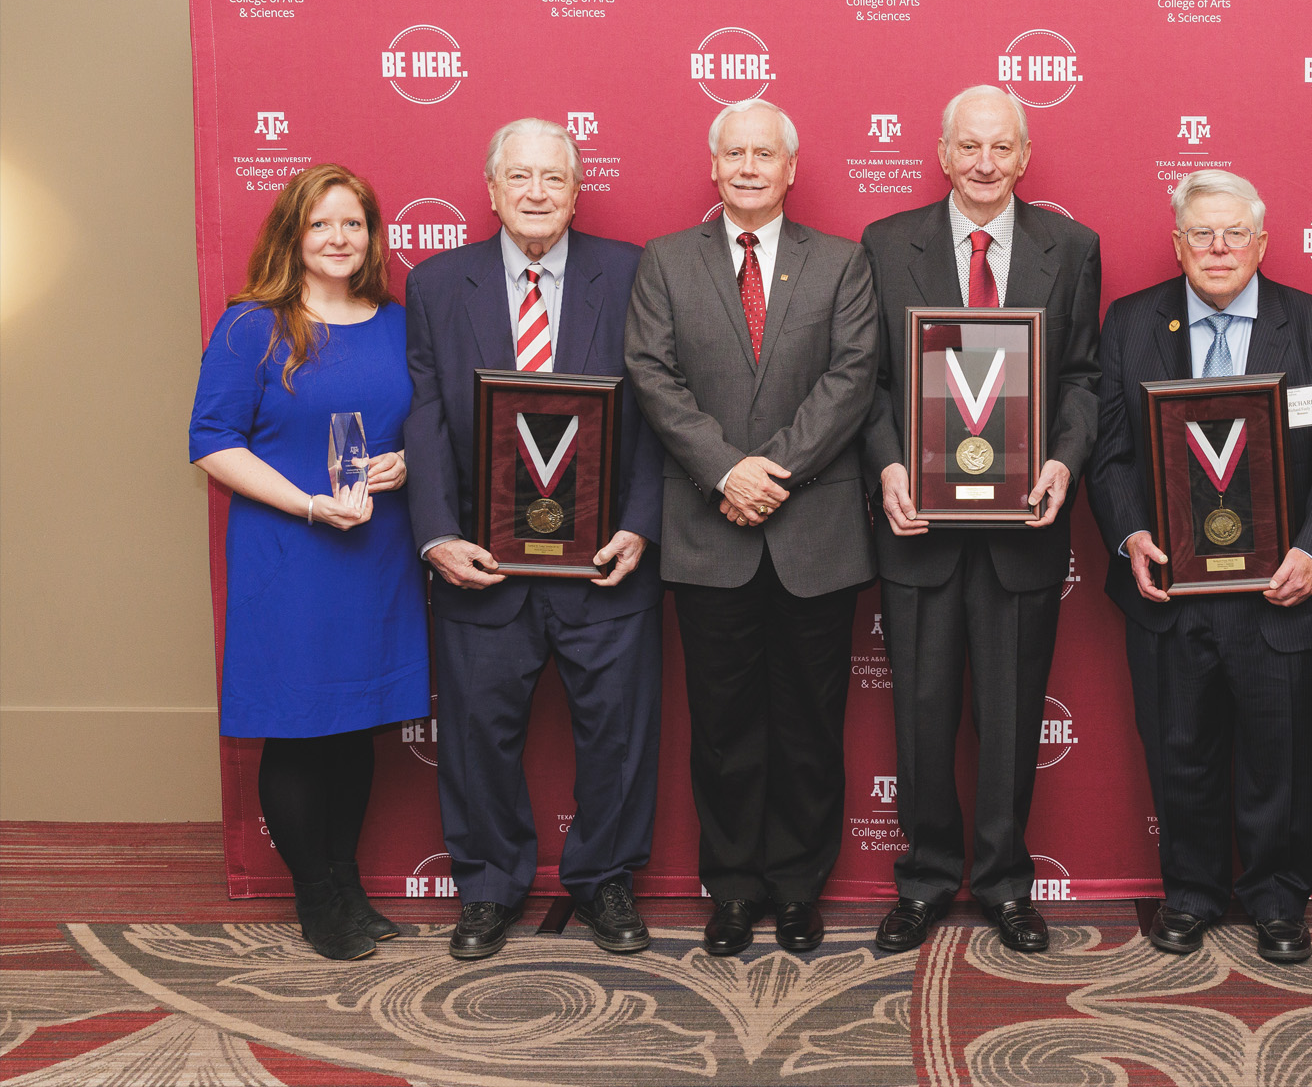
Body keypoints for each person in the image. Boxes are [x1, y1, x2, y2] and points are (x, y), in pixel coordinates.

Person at [1087, 169, 1312, 964]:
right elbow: (1109, 456)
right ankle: (1190, 893)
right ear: (1178, 243)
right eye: (1201, 234)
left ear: (1262, 241)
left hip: (1283, 591)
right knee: (1180, 748)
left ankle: (1278, 900)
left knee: (1283, 754)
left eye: (1233, 233)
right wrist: (1130, 536)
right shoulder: (1131, 322)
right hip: (1169, 587)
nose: (1218, 249)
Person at [404, 118, 665, 960]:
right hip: (483, 562)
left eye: (554, 177)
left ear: (577, 188)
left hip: (603, 563)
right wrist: (437, 535)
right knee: (478, 736)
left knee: (619, 734)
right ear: (491, 190)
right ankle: (487, 889)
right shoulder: (440, 285)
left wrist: (640, 523)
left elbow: (662, 409)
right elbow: (428, 418)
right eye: (519, 177)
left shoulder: (630, 274)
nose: (537, 192)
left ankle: (606, 882)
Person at [624, 100, 879, 957]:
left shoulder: (842, 263)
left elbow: (851, 378)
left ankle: (799, 889)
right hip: (709, 529)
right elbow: (651, 375)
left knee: (811, 726)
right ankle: (731, 891)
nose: (747, 166)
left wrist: (772, 473)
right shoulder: (665, 261)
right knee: (724, 729)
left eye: (763, 154)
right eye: (733, 153)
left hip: (816, 532)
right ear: (713, 165)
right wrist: (725, 470)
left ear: (790, 168)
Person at [860, 85, 1101, 953]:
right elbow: (873, 381)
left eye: (1002, 147)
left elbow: (1081, 377)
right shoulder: (889, 245)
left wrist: (1063, 462)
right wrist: (888, 464)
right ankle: (923, 881)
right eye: (969, 146)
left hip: (1021, 534)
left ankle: (1004, 885)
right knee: (921, 718)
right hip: (917, 530)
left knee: (1009, 719)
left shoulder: (1070, 247)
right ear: (942, 151)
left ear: (1024, 156)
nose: (986, 163)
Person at [189, 163, 429, 961]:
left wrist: (405, 465)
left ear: (371, 236)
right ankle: (317, 898)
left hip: (374, 552)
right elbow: (212, 443)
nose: (337, 238)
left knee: (353, 725)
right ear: (294, 233)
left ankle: (346, 883)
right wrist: (306, 502)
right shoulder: (250, 326)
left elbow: (426, 428)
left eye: (352, 224)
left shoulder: (398, 323)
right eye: (321, 224)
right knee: (298, 729)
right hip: (290, 553)